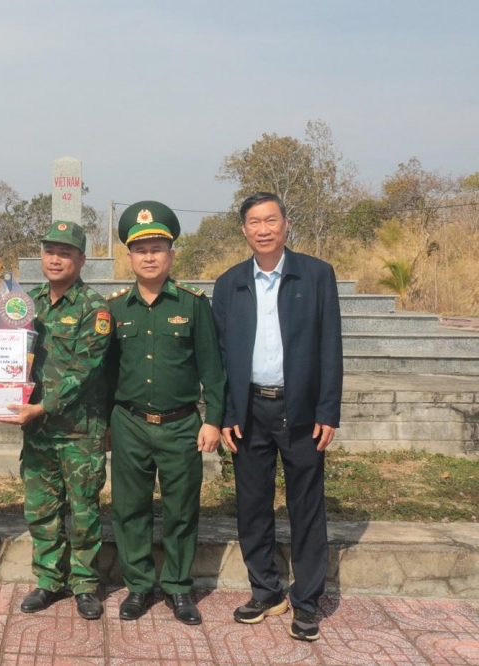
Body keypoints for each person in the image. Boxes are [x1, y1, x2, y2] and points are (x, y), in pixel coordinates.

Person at [213, 191, 343, 642]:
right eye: (254, 221)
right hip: (250, 410)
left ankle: (306, 602)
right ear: (244, 230)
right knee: (252, 505)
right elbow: (223, 357)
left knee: (306, 506)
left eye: (271, 220)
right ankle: (265, 590)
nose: (263, 229)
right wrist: (227, 411)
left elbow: (330, 347)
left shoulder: (317, 275)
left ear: (286, 224)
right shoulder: (229, 284)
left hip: (302, 410)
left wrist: (328, 409)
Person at [104, 202, 225, 626]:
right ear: (130, 257)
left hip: (180, 425)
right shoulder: (116, 308)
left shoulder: (192, 305)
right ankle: (138, 585)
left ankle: (177, 587)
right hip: (130, 423)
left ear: (171, 254)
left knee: (181, 509)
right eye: (141, 250)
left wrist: (213, 420)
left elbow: (212, 367)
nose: (150, 256)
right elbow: (106, 373)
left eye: (158, 247)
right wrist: (105, 426)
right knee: (129, 508)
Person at [0, 220, 111, 621]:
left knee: (83, 512)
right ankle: (48, 581)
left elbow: (85, 370)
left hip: (80, 431)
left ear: (81, 259)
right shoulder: (25, 306)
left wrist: (41, 408)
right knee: (41, 510)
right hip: (38, 431)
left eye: (65, 253)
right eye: (50, 251)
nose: (56, 259)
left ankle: (84, 584)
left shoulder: (94, 309)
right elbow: (2, 353)